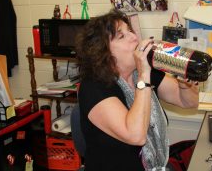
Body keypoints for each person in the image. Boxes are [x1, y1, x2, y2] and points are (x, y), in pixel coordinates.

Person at [75, 9, 199, 171]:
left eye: (130, 31)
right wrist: (144, 75)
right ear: (102, 52)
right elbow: (136, 135)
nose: (134, 37)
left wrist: (184, 84)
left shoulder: (140, 73)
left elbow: (189, 101)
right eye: (122, 36)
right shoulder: (93, 86)